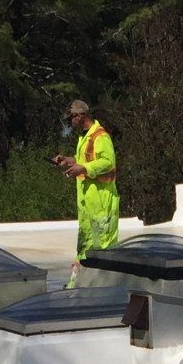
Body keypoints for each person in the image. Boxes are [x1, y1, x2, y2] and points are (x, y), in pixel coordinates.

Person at [53, 99, 118, 268]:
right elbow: (84, 160)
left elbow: (107, 162)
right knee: (86, 244)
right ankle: (80, 281)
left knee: (103, 245)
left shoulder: (100, 136)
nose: (69, 122)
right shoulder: (84, 137)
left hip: (101, 201)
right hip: (88, 201)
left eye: (71, 118)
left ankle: (100, 284)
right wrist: (68, 161)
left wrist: (83, 168)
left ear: (81, 115)